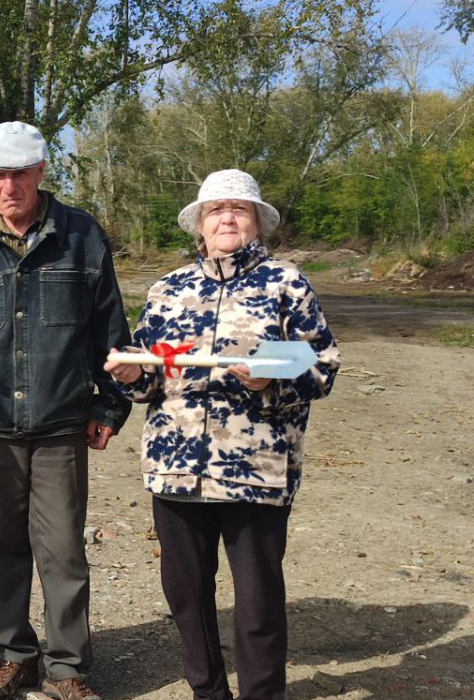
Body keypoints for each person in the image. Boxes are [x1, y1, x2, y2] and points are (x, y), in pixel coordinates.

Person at [104, 169, 340, 700]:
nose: (227, 217)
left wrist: (272, 377)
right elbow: (151, 373)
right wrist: (131, 375)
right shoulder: (168, 288)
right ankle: (208, 691)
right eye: (216, 209)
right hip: (174, 463)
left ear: (256, 223)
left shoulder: (285, 282)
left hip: (255, 466)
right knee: (185, 594)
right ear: (200, 224)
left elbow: (322, 365)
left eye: (239, 209)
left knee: (256, 602)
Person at [0, 121, 132, 700]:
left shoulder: (81, 235)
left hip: (61, 421)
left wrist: (111, 404)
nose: (10, 187)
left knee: (63, 548)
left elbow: (110, 325)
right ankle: (13, 656)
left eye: (20, 174)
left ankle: (67, 668)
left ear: (41, 173)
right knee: (1, 543)